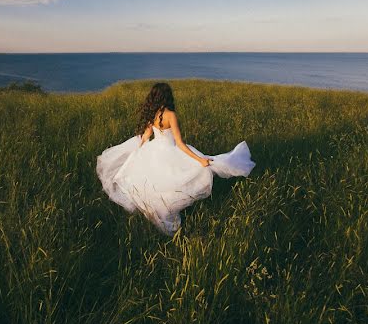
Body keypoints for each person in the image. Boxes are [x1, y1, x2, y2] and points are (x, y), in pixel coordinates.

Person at [96, 82, 255, 234]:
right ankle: (166, 211)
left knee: (155, 182)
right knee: (184, 176)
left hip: (153, 150)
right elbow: (179, 143)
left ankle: (157, 211)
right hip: (170, 150)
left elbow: (145, 136)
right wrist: (199, 160)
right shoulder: (170, 115)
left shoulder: (153, 112)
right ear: (167, 96)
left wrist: (135, 152)